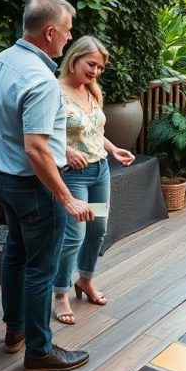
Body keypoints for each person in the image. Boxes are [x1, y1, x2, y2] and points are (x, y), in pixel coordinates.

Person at [0, 0, 93, 371]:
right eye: (66, 30)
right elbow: (37, 148)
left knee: (15, 253)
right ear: (49, 32)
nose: (69, 37)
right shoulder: (40, 79)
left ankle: (15, 333)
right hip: (34, 189)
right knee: (40, 269)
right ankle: (40, 351)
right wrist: (66, 198)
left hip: (4, 182)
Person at [52, 36, 135, 324]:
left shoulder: (92, 91)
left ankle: (85, 279)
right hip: (73, 177)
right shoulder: (53, 92)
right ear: (74, 59)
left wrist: (113, 149)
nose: (96, 72)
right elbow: (39, 135)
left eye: (100, 68)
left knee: (97, 229)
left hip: (100, 171)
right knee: (73, 235)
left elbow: (94, 131)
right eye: (91, 65)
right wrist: (64, 149)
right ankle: (60, 292)